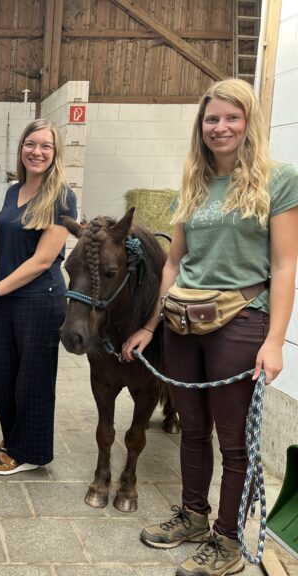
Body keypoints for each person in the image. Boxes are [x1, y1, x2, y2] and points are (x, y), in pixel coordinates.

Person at [122, 78, 298, 576]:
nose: (220, 127)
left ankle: (227, 542)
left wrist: (275, 341)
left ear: (249, 124)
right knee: (192, 430)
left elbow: (285, 266)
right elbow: (174, 263)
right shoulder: (194, 184)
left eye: (231, 117)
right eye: (211, 119)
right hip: (183, 321)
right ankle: (195, 517)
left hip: (239, 323)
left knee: (234, 440)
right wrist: (152, 325)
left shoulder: (278, 179)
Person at [0, 118, 77, 475]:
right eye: (31, 144)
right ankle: (16, 434)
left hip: (40, 300)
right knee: (0, 374)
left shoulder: (62, 196)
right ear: (21, 149)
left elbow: (43, 259)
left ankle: (28, 452)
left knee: (32, 379)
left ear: (55, 152)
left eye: (46, 146)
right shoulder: (13, 191)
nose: (37, 151)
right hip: (7, 297)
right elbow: (11, 248)